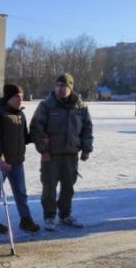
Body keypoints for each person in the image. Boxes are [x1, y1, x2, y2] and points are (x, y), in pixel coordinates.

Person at [30, 73, 93, 231]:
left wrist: (86, 148)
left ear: (71, 87)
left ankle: (65, 215)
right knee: (49, 187)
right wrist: (43, 149)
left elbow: (87, 129)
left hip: (71, 154)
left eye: (64, 86)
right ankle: (49, 216)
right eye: (58, 85)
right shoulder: (46, 105)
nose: (60, 89)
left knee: (68, 187)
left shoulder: (81, 107)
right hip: (51, 154)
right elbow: (36, 128)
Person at [0, 84, 40, 234]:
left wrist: (39, 137)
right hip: (1, 161)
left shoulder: (20, 114)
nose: (20, 100)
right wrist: (0, 159)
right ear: (9, 97)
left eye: (22, 97)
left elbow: (25, 138)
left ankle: (25, 219)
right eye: (17, 97)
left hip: (17, 160)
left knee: (21, 191)